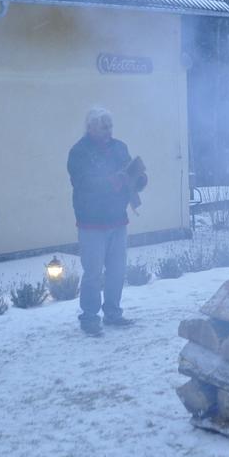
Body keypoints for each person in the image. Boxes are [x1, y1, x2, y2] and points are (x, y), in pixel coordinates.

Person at [67, 107, 147, 335]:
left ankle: (113, 312)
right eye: (104, 127)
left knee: (116, 270)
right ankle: (90, 317)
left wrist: (138, 179)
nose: (109, 131)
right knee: (92, 272)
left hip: (117, 219)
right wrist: (113, 181)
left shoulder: (119, 147)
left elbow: (129, 173)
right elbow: (83, 183)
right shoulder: (79, 152)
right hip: (91, 221)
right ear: (90, 127)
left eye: (110, 126)